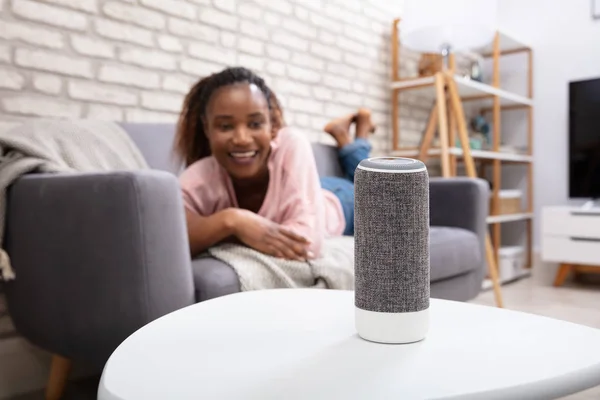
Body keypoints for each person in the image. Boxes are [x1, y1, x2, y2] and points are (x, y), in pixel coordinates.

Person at [175, 67, 375, 261]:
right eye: (225, 126)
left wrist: (219, 230)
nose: (242, 138)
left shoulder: (291, 143)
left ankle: (360, 135)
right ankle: (344, 136)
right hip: (305, 190)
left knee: (374, 189)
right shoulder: (198, 178)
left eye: (255, 124)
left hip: (339, 203)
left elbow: (307, 244)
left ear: (273, 126)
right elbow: (168, 240)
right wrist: (232, 221)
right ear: (207, 128)